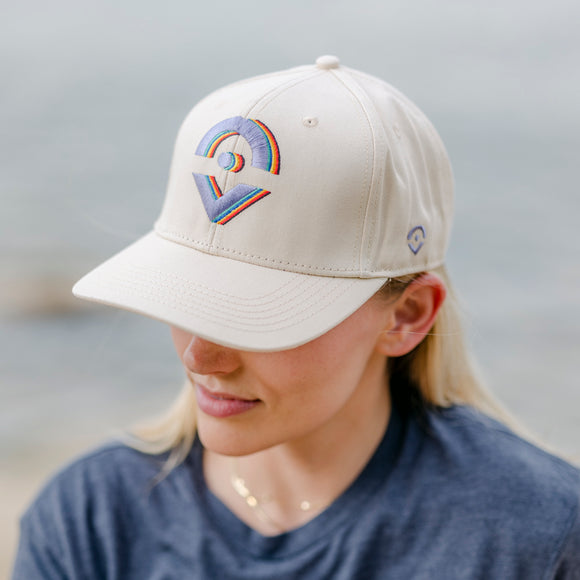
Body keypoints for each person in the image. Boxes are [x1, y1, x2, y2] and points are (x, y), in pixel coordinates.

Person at [13, 55, 580, 579]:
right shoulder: (88, 521)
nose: (200, 357)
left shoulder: (534, 536)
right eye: (186, 298)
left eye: (256, 316)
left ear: (406, 316)